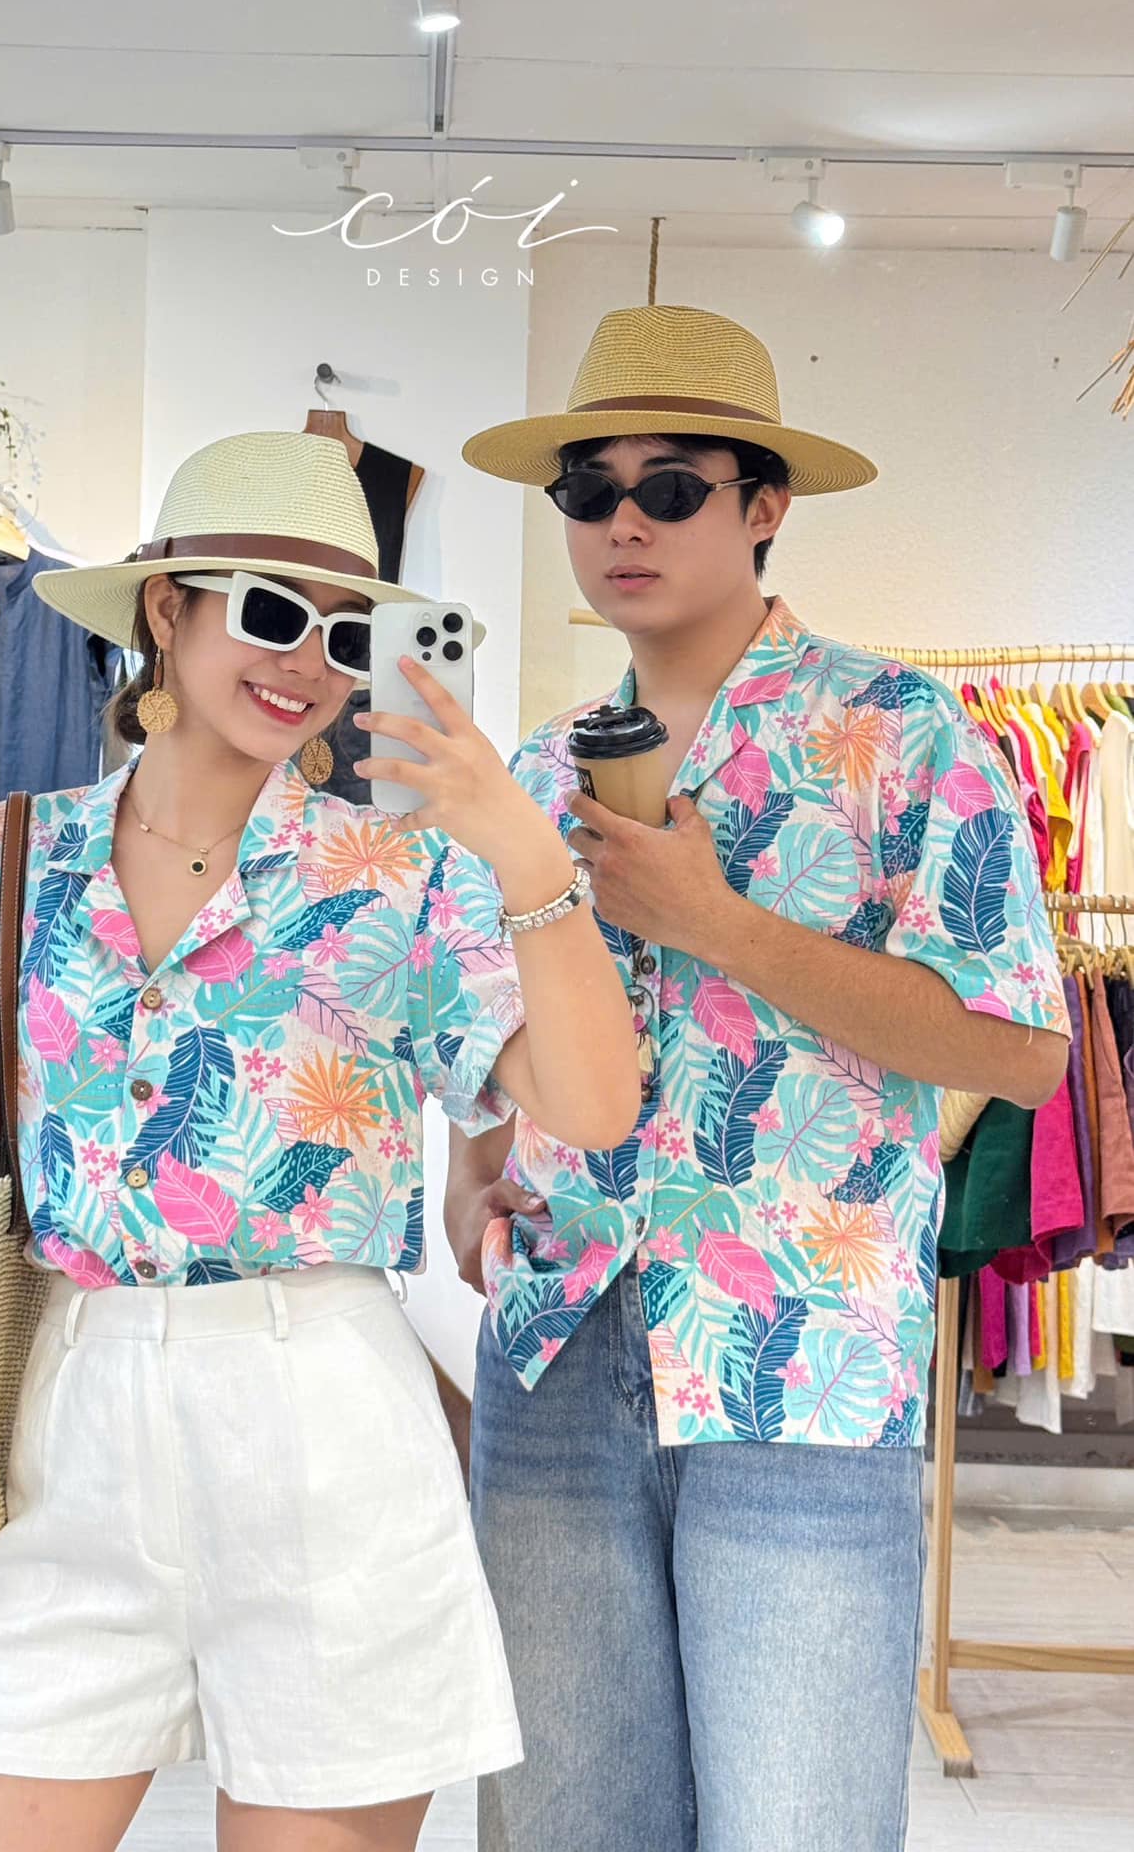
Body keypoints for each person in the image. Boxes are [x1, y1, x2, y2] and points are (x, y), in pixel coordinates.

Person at [0, 431, 640, 1852]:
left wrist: (526, 854)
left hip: (325, 1430)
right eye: (269, 613)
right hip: (74, 1434)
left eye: (341, 631)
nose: (307, 662)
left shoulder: (398, 877)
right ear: (166, 609)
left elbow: (591, 1108)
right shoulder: (6, 858)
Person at [451, 306, 1071, 1852]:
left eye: (670, 487)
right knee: (561, 1825)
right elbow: (480, 1020)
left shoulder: (901, 735)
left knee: (795, 1824)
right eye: (588, 489)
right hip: (554, 1351)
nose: (623, 523)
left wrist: (718, 925)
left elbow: (1019, 1048)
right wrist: (473, 1160)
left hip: (797, 1360)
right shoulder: (535, 771)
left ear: (763, 504)